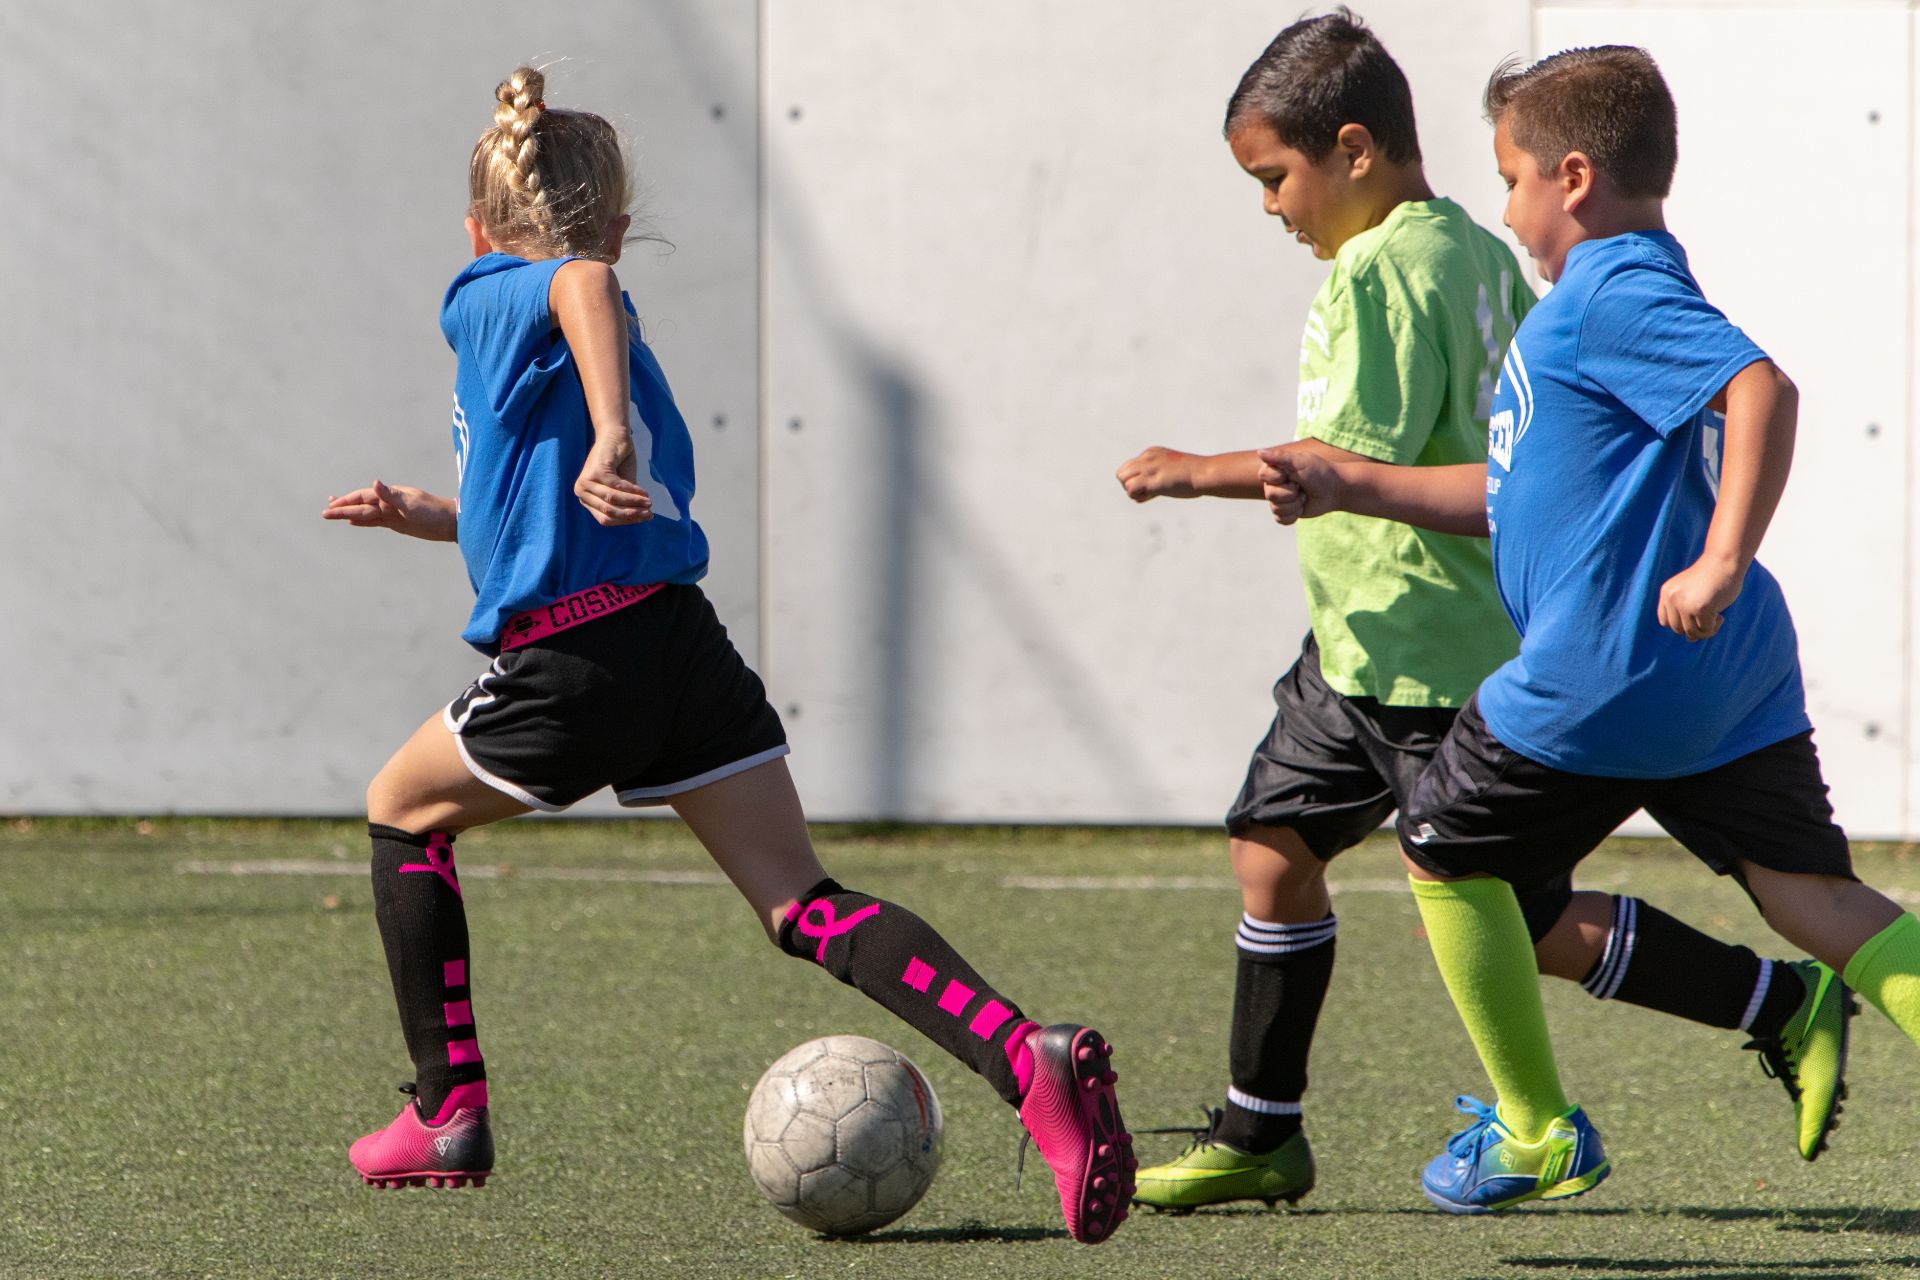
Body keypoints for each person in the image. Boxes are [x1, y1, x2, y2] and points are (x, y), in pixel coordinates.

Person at [321, 66, 1135, 1245]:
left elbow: (580, 283)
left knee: (400, 808)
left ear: (479, 232)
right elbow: (551, 491)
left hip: (574, 654)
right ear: (617, 217)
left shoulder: (495, 292)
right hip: (675, 641)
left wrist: (607, 429)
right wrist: (439, 514)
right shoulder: (588, 327)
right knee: (804, 902)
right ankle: (1028, 1056)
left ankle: (446, 1109)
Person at [1118, 12, 1847, 1213]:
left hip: (1430, 643)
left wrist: (1203, 469)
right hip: (1355, 641)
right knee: (1274, 851)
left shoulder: (1390, 269)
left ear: (1354, 150)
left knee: (1510, 905)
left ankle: (1694, 1041)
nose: (1271, 207)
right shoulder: (1473, 244)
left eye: (1275, 178)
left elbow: (1351, 457)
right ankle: (1261, 1127)